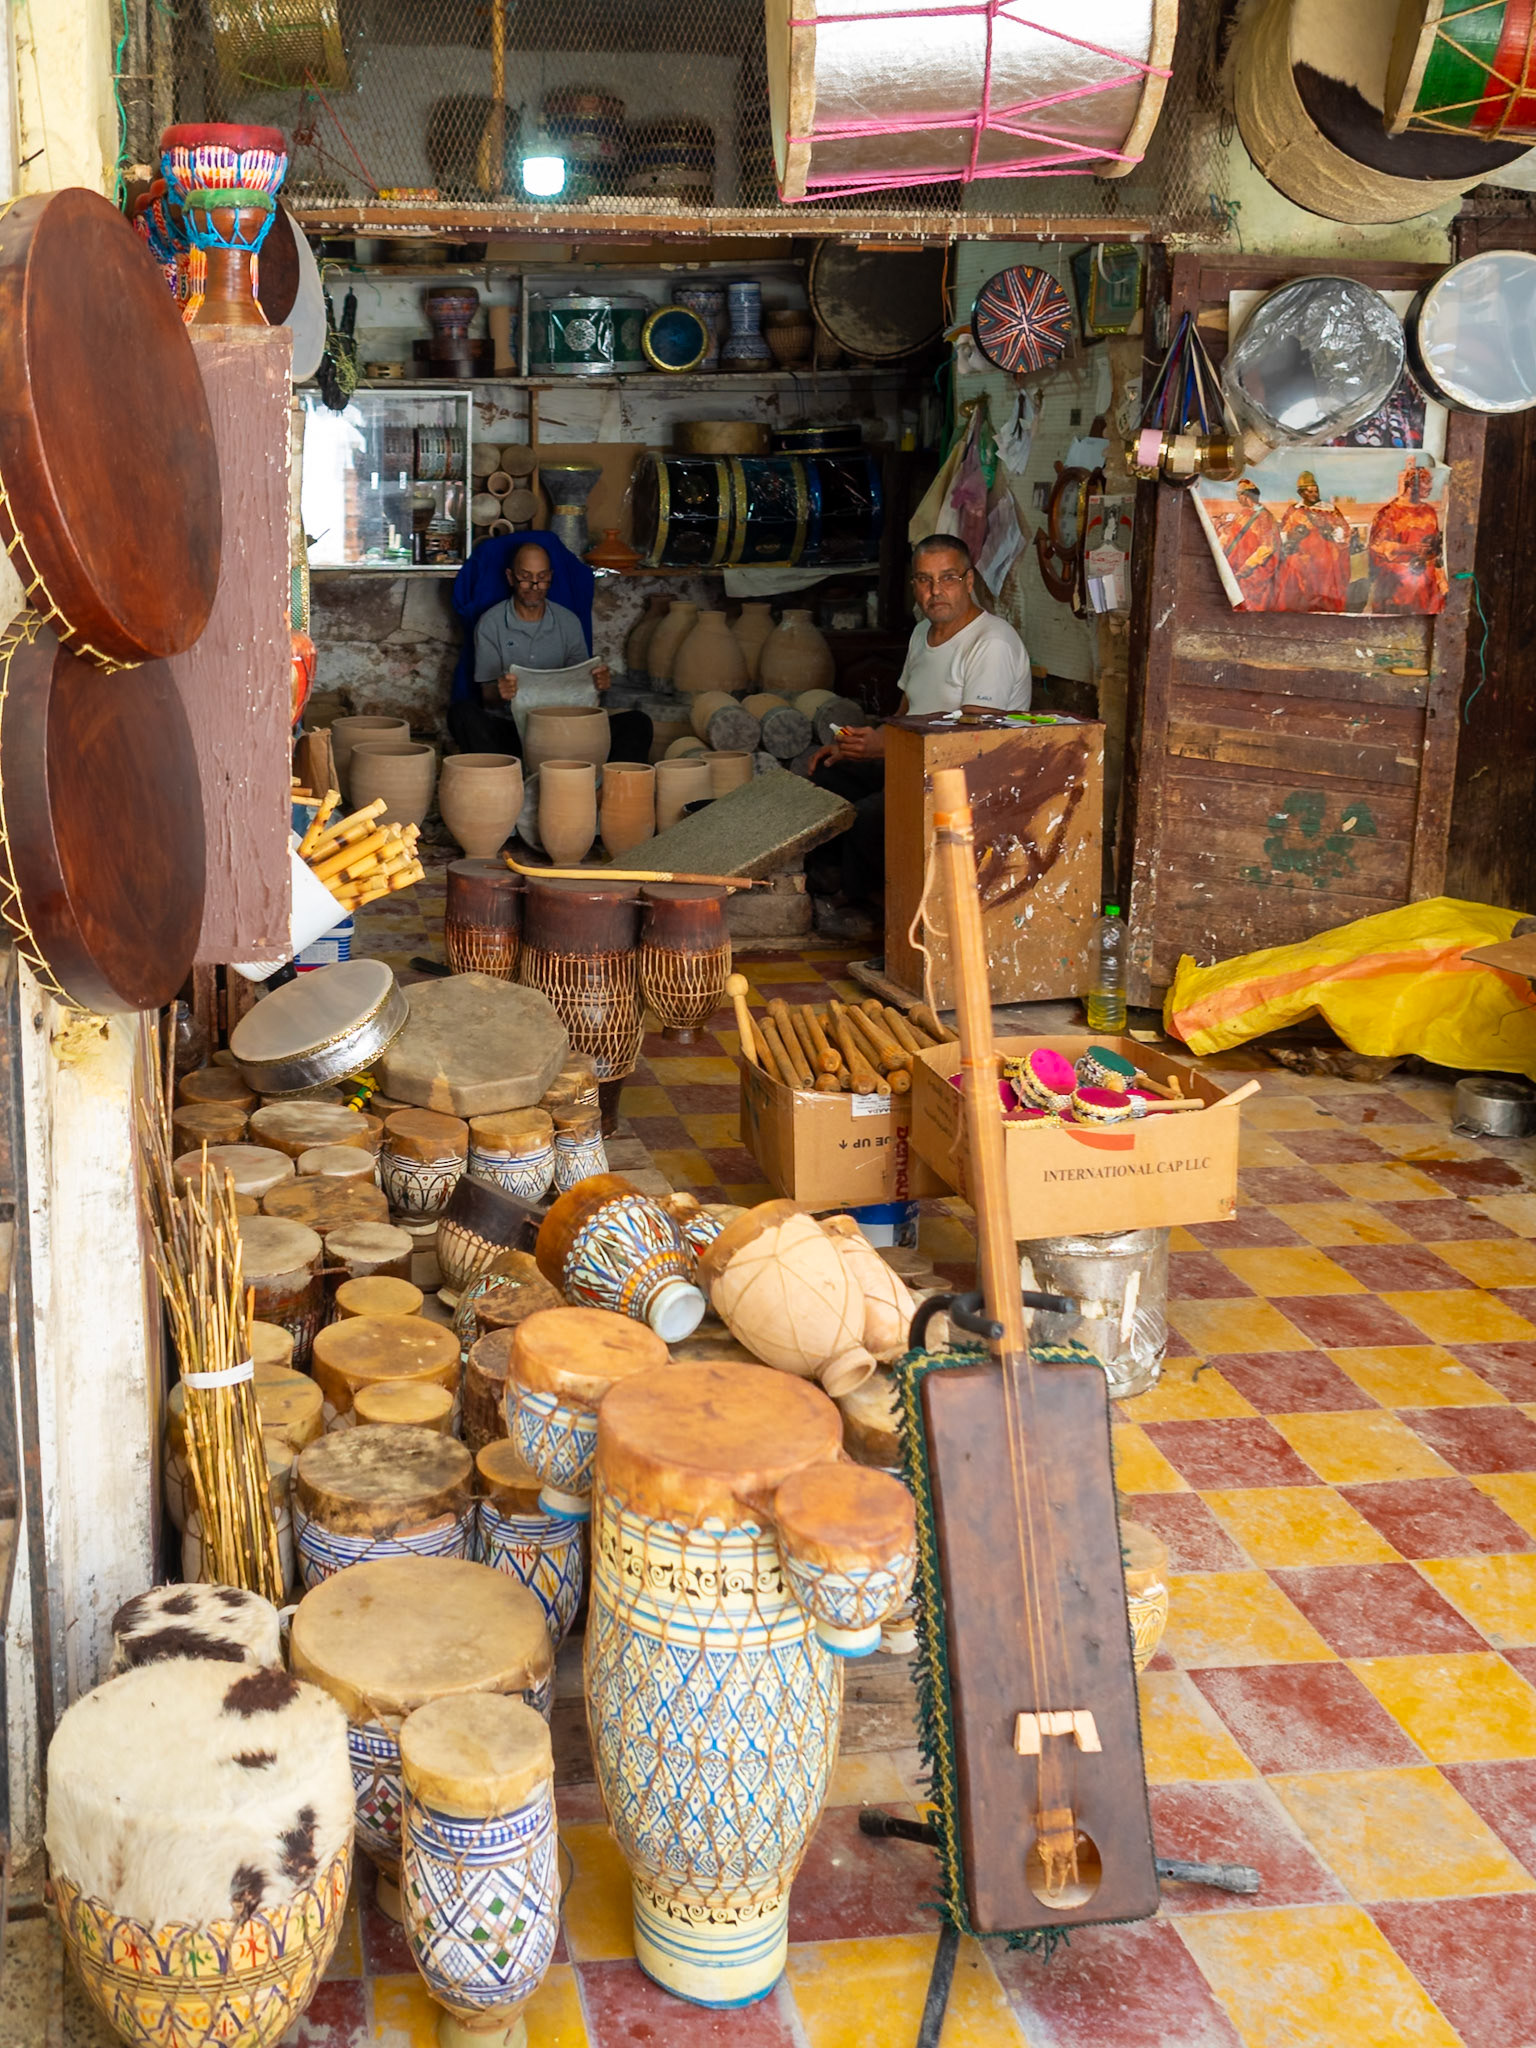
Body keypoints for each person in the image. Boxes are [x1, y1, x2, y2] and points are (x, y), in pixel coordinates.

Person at [808, 533, 1031, 911]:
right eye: (924, 580)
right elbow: (905, 711)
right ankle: (825, 887)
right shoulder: (920, 634)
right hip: (917, 760)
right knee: (829, 776)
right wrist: (857, 744)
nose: (935, 591)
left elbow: (973, 737)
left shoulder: (992, 642)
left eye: (948, 578)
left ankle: (873, 910)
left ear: (969, 581)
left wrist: (888, 747)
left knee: (873, 816)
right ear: (914, 585)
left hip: (966, 777)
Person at [448, 542, 651, 761]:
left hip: (566, 730)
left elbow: (583, 687)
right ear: (510, 577)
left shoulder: (568, 621)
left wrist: (597, 683)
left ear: (551, 577)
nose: (535, 586)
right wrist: (500, 692)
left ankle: (611, 788)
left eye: (542, 578)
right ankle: (505, 782)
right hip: (514, 731)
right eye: (525, 577)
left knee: (637, 723)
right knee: (462, 715)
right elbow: (488, 698)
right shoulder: (491, 623)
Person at [1367, 458, 1447, 613]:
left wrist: (1441, 580)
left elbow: (1437, 549)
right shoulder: (1389, 513)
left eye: (1430, 482)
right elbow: (1376, 548)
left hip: (1428, 585)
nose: (1430, 487)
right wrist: (1407, 548)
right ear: (1412, 485)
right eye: (1425, 482)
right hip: (1398, 584)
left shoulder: (1430, 512)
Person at [1276, 470, 1351, 613]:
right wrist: (1294, 534)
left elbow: (1344, 531)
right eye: (1309, 492)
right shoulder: (1294, 511)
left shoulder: (1329, 510)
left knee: (1326, 590)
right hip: (1301, 558)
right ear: (1301, 493)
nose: (1314, 494)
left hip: (1325, 559)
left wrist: (1329, 529)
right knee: (1297, 590)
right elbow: (1282, 534)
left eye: (1315, 491)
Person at [1218, 481, 1281, 611]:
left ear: (1246, 496)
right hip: (1234, 566)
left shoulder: (1265, 517)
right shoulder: (1243, 514)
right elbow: (1230, 535)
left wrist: (1246, 568)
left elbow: (1267, 546)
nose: (1237, 498)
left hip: (1251, 571)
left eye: (1238, 495)